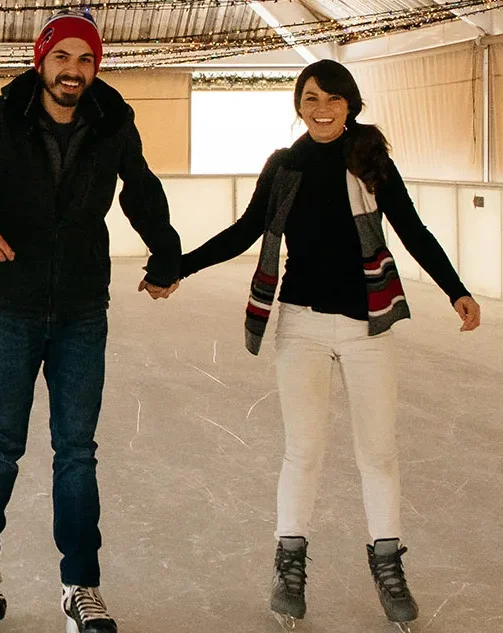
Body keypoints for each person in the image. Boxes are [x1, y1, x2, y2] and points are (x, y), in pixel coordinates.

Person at [178, 59, 480, 632]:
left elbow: (411, 229)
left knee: (379, 451)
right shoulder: (285, 166)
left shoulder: (370, 161)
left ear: (350, 104)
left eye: (333, 98)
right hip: (300, 323)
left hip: (369, 324)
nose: (322, 107)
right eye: (312, 97)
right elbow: (246, 231)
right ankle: (289, 568)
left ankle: (389, 569)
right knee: (304, 451)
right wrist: (179, 268)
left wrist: (455, 290)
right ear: (298, 103)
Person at [0, 9, 180, 633]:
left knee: (76, 452)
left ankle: (81, 585)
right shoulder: (1, 118)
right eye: (64, 57)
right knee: (3, 445)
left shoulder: (113, 122)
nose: (74, 71)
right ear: (41, 60)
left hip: (79, 311)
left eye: (86, 60)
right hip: (11, 307)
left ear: (97, 67)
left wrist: (166, 251)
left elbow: (141, 191)